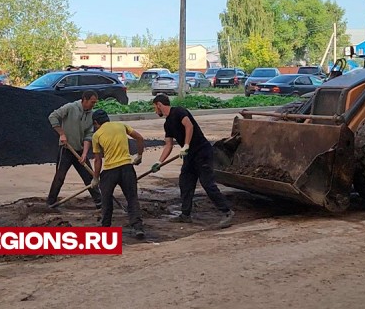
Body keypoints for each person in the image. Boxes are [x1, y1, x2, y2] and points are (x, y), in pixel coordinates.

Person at [151, 94, 235, 228]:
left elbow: (189, 126)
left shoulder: (179, 111)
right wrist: (159, 162)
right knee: (185, 183)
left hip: (202, 151)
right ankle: (185, 215)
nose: (155, 110)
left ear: (159, 104)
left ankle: (227, 212)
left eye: (154, 107)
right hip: (189, 156)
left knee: (207, 183)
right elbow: (169, 145)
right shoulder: (167, 124)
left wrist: (186, 145)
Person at [90, 109, 145, 238]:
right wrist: (139, 155)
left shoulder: (96, 135)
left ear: (96, 123)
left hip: (110, 171)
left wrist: (95, 178)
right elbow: (140, 138)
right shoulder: (121, 126)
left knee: (106, 200)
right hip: (127, 168)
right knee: (132, 198)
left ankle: (105, 229)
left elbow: (98, 159)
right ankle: (138, 228)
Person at [47, 90, 102, 208]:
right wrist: (61, 133)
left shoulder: (91, 114)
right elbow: (53, 116)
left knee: (89, 176)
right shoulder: (70, 107)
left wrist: (84, 154)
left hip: (80, 150)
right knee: (60, 176)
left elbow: (88, 135)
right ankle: (50, 202)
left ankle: (99, 202)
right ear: (85, 100)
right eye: (92, 102)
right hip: (66, 149)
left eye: (95, 102)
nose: (94, 105)